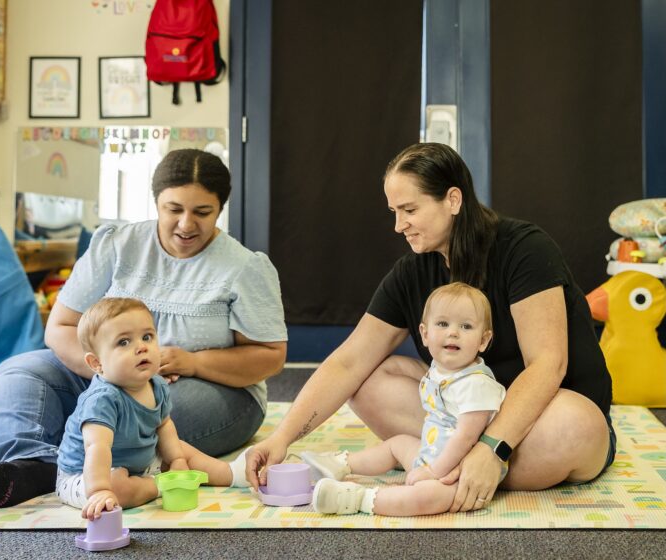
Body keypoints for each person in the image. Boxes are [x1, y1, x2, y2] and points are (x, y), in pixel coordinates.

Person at [246, 142, 614, 513]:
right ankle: (456, 467)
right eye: (394, 211)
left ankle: (450, 469)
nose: (398, 225)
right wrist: (281, 439)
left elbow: (548, 364)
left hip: (542, 419)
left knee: (576, 424)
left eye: (409, 210)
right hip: (463, 422)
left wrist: (493, 449)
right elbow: (348, 362)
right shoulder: (412, 272)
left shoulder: (525, 250)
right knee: (368, 380)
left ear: (453, 200)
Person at [0, 149, 287, 508]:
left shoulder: (244, 267)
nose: (185, 224)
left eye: (202, 212)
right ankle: (29, 457)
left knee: (152, 411)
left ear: (220, 209)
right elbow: (60, 327)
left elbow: (270, 356)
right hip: (106, 377)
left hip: (211, 390)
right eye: (173, 209)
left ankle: (33, 440)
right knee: (18, 371)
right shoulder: (116, 245)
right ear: (157, 203)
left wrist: (192, 363)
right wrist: (112, 374)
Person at [303, 282, 506, 516]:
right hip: (429, 453)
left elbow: (466, 437)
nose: (453, 332)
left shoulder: (477, 384)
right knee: (397, 444)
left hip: (458, 471)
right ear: (425, 334)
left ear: (483, 340)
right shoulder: (441, 370)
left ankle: (359, 499)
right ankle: (342, 464)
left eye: (466, 326)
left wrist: (433, 472)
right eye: (442, 323)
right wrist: (427, 464)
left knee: (426, 498)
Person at [56, 297, 251, 518]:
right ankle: (160, 485)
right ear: (97, 364)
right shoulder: (103, 399)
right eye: (123, 342)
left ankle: (230, 473)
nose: (141, 347)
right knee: (117, 489)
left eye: (147, 337)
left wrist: (176, 459)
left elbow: (164, 425)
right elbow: (96, 448)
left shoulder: (156, 384)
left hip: (139, 461)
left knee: (182, 450)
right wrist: (101, 490)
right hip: (86, 475)